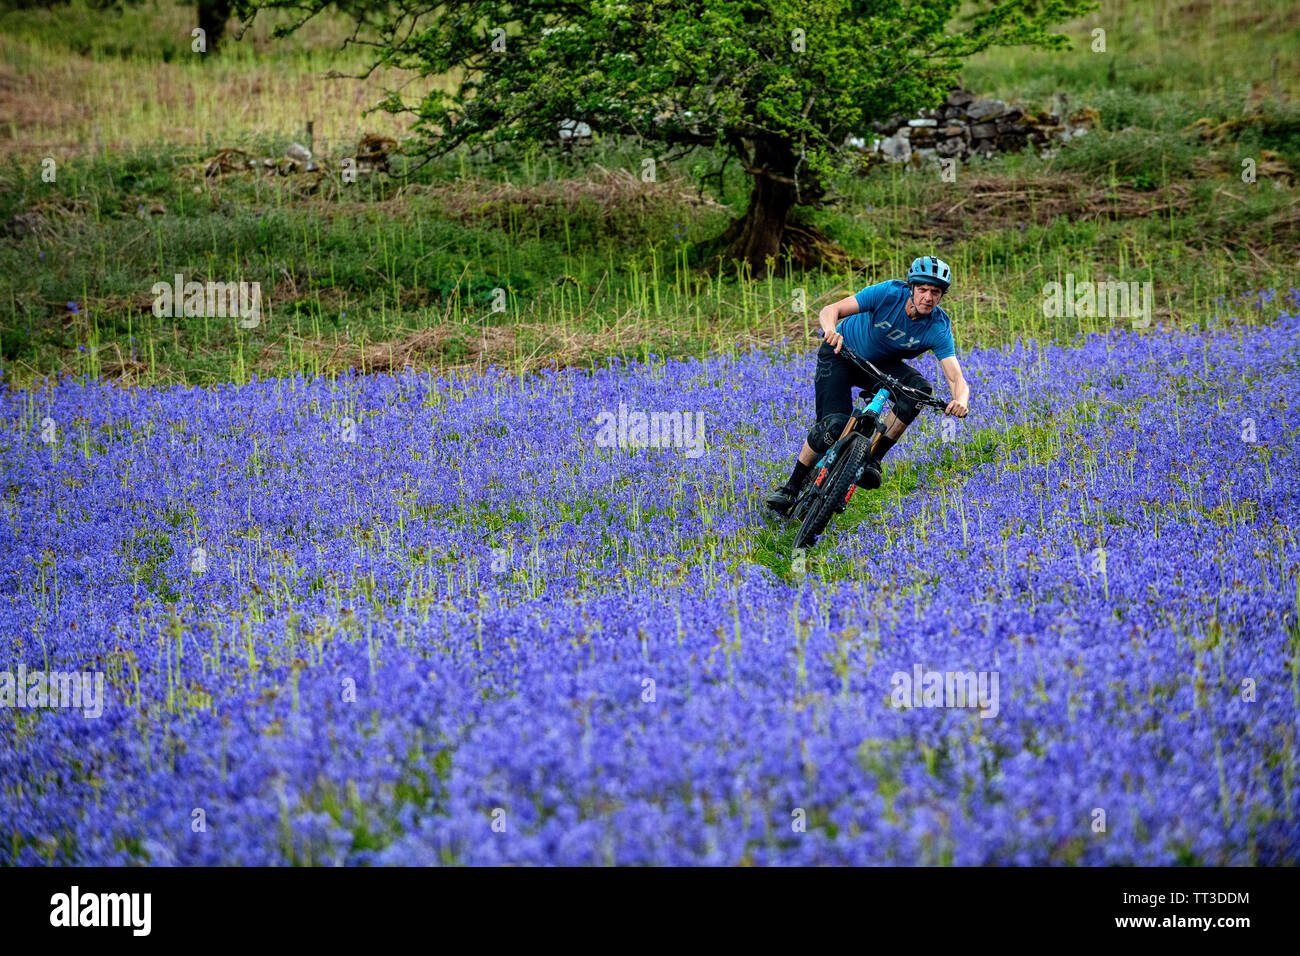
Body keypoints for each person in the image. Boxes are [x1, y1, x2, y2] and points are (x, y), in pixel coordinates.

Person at [765, 255, 971, 516]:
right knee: (833, 426)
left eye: (935, 292)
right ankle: (791, 488)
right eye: (922, 290)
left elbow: (956, 378)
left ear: (942, 295)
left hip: (881, 365)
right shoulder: (887, 294)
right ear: (911, 288)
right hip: (841, 353)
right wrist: (830, 330)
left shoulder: (938, 326)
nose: (928, 297)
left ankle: (872, 459)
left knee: (919, 391)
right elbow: (831, 310)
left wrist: (960, 400)